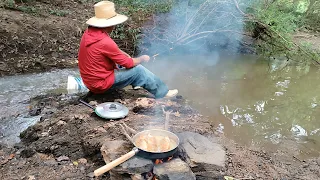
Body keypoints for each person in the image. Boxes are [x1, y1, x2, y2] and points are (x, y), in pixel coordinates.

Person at [78, 1, 178, 99]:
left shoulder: (89, 33)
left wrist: (124, 55)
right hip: (100, 85)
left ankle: (138, 83)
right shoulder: (104, 41)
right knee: (139, 71)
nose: (114, 26)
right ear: (107, 24)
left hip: (90, 82)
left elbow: (111, 52)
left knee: (124, 61)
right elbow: (129, 63)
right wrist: (142, 58)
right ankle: (163, 93)